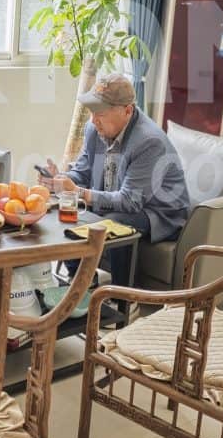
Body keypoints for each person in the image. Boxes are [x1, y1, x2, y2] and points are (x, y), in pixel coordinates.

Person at [40, 73, 190, 284]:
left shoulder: (149, 142)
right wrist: (60, 180)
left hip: (157, 211)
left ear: (127, 111)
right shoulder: (94, 129)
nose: (93, 120)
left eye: (100, 113)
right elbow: (82, 173)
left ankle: (125, 297)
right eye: (92, 112)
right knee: (68, 210)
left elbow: (130, 201)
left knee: (114, 225)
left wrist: (79, 192)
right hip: (119, 199)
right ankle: (82, 283)